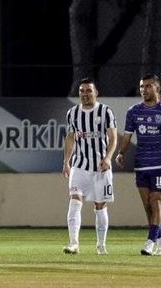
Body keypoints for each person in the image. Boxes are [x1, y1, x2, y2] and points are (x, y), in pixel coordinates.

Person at [115, 74, 161, 256]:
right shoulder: (134, 111)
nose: (143, 90)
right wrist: (121, 153)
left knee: (156, 199)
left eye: (148, 86)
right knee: (147, 205)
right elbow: (127, 136)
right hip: (142, 163)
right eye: (141, 86)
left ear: (157, 89)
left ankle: (150, 242)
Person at [62, 77, 117, 255]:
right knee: (74, 201)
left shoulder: (106, 111)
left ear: (96, 93)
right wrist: (66, 161)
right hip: (79, 166)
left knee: (100, 206)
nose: (85, 94)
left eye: (88, 90)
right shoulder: (72, 113)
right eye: (82, 91)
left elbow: (113, 138)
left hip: (101, 167)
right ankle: (73, 244)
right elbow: (70, 137)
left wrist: (108, 158)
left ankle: (101, 245)